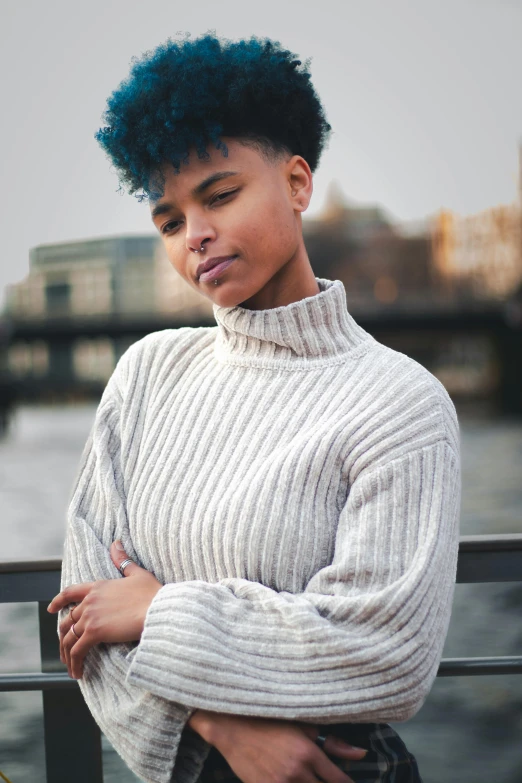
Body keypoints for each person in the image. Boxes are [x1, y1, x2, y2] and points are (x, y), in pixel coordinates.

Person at [47, 32, 461, 783]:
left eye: (220, 195)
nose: (195, 236)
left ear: (298, 183)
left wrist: (158, 607)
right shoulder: (146, 374)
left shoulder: (401, 403)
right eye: (170, 221)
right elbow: (86, 614)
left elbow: (386, 654)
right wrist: (216, 724)